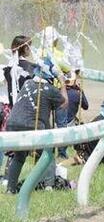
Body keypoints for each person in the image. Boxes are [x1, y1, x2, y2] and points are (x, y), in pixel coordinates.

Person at [5, 58, 67, 194]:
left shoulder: (27, 83)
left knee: (19, 156)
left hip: (12, 124)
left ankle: (10, 189)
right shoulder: (51, 90)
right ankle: (49, 186)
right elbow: (64, 103)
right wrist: (62, 82)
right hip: (32, 124)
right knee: (48, 153)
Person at [55, 71, 89, 159]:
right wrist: (81, 91)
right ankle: (75, 150)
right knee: (79, 125)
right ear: (73, 81)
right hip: (69, 123)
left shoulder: (57, 92)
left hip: (56, 121)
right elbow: (86, 106)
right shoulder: (77, 94)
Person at [2, 35, 35, 107]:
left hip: (12, 107)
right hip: (27, 107)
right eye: (30, 47)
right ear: (26, 48)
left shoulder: (8, 68)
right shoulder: (32, 67)